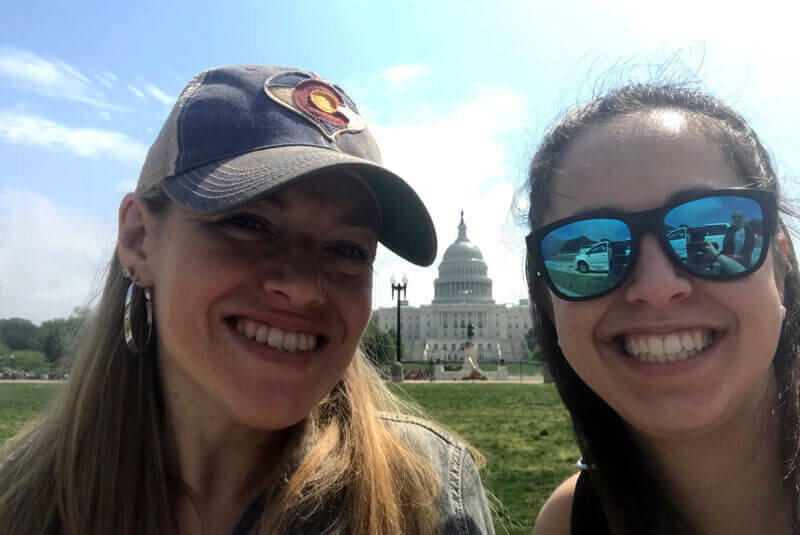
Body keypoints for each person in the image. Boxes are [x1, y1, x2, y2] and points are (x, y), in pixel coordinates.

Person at [0, 65, 494, 535]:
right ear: (138, 239)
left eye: (347, 248)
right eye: (248, 223)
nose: (302, 287)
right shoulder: (17, 502)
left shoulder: (430, 500)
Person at [525, 84, 798, 534]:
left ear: (780, 270)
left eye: (694, 226)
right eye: (604, 246)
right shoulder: (567, 523)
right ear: (550, 306)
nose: (656, 287)